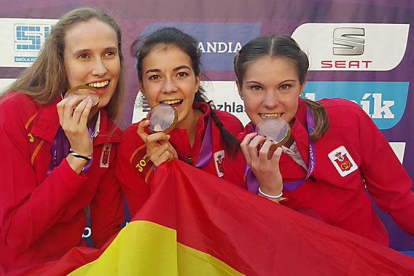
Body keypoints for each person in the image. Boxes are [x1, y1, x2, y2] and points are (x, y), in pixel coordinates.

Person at [232, 35, 414, 246]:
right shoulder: (236, 154)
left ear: (302, 85)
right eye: (256, 88)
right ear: (239, 89)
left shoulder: (346, 118)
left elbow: (397, 196)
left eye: (285, 87)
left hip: (369, 261)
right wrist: (269, 191)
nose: (271, 102)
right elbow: (254, 245)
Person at [0, 7, 125, 274]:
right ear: (61, 62)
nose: (101, 69)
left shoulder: (110, 135)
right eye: (84, 56)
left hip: (73, 266)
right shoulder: (15, 112)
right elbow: (15, 236)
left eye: (109, 54)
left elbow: (108, 233)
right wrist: (77, 157)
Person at [116, 27, 244, 216]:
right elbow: (146, 229)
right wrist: (163, 173)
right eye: (155, 77)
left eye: (181, 74)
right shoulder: (132, 143)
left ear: (197, 81)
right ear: (142, 88)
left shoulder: (229, 127)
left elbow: (241, 213)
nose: (169, 88)